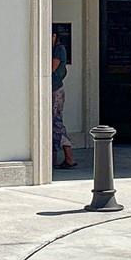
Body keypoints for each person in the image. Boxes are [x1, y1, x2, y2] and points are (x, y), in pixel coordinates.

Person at [51, 28, 76, 168]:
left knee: (56, 123)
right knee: (54, 123)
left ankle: (67, 157)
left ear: (54, 36)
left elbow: (50, 68)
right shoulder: (55, 49)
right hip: (53, 88)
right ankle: (63, 157)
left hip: (55, 90)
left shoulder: (59, 49)